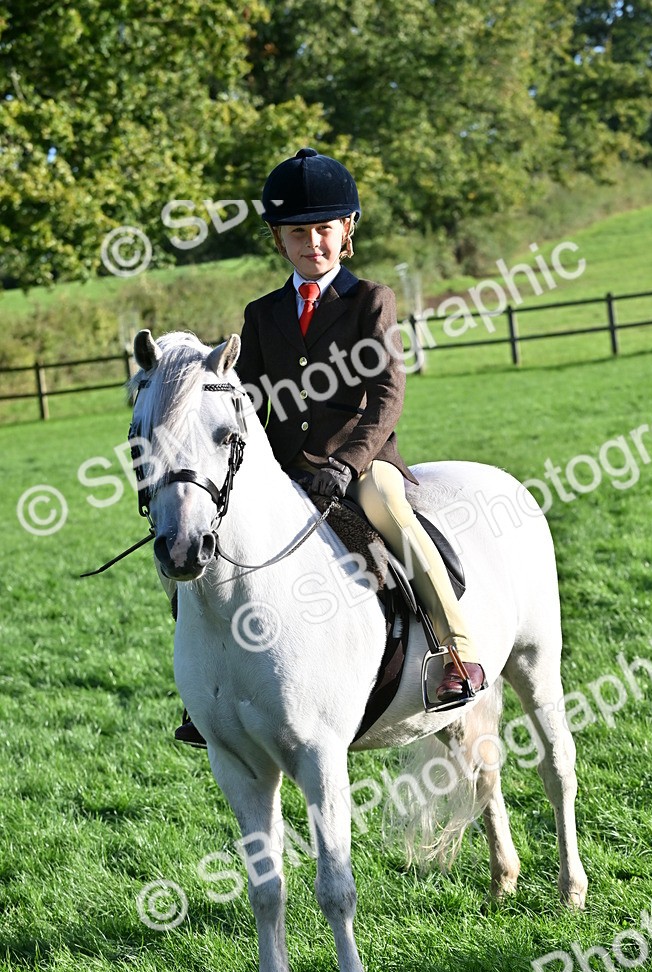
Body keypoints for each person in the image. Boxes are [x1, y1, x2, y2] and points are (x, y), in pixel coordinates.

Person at [175, 147, 483, 745]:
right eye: (298, 232)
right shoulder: (261, 314)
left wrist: (347, 464)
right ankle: (202, 693)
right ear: (278, 240)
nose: (311, 242)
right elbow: (249, 401)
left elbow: (387, 394)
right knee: (201, 539)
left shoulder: (371, 300)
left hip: (362, 464)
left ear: (346, 232)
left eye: (323, 230)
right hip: (283, 469)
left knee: (393, 518)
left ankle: (455, 653)